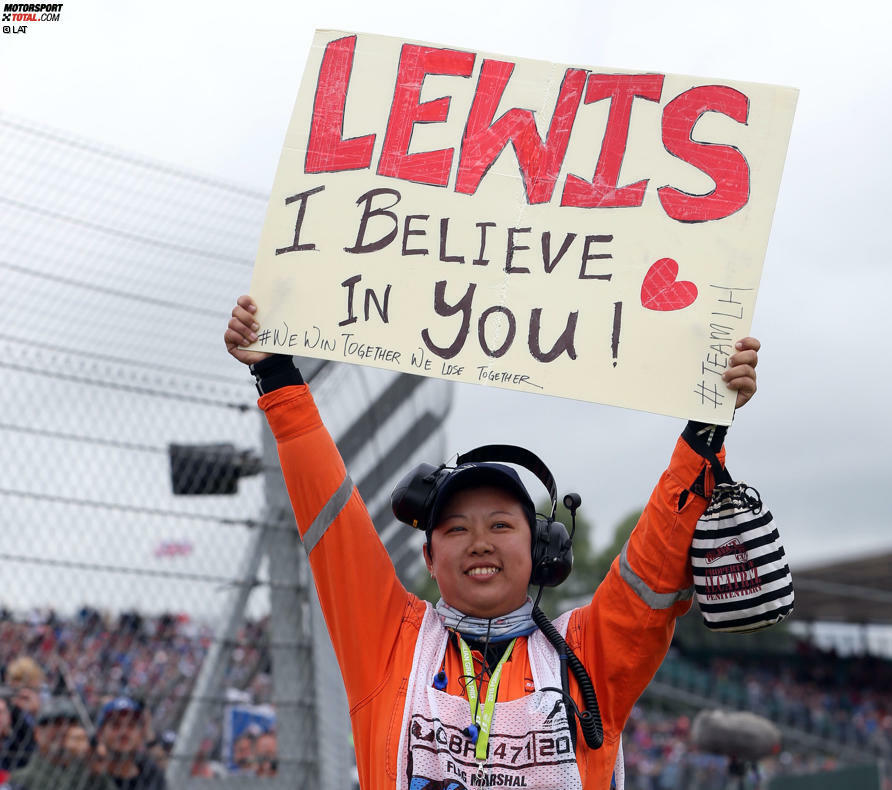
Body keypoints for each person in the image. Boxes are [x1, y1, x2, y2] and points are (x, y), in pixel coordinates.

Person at [224, 294, 761, 790]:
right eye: (456, 528)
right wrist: (276, 374)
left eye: (501, 525)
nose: (479, 542)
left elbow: (656, 559)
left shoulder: (587, 652)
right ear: (430, 559)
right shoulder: (390, 643)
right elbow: (332, 516)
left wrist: (707, 425)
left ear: (542, 551)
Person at [95, 696, 166, 789]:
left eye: (131, 725)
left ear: (141, 735)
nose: (123, 731)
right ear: (100, 734)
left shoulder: (152, 775)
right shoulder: (91, 776)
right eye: (115, 725)